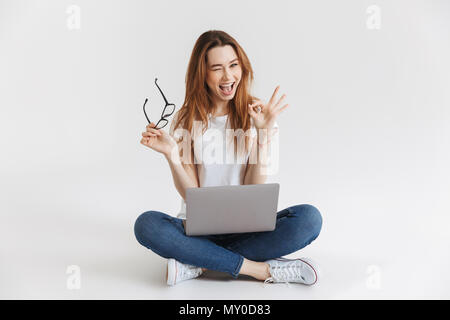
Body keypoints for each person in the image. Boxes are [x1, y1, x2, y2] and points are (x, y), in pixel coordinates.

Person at [135, 30, 322, 286]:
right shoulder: (185, 118)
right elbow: (191, 193)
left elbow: (254, 189)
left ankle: (199, 263)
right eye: (217, 68)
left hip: (247, 231)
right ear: (203, 74)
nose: (228, 76)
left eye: (234, 65)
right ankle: (259, 270)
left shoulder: (259, 114)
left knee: (309, 219)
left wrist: (264, 132)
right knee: (147, 225)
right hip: (198, 232)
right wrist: (172, 155)